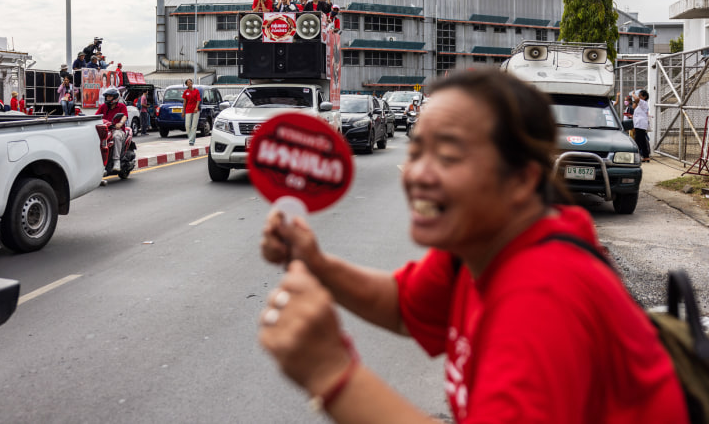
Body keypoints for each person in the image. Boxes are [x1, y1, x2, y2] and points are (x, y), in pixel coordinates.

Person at [258, 69, 688, 423]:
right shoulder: (482, 246)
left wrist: (332, 374)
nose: (418, 175)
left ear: (521, 180)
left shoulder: (543, 295)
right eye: (417, 150)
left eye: (448, 156)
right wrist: (315, 262)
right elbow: (406, 306)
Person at [96, 87, 128, 171]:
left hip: (117, 130)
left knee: (116, 136)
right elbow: (96, 117)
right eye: (107, 96)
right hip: (105, 130)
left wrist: (120, 123)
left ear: (115, 97)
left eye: (109, 96)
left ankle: (116, 160)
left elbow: (124, 116)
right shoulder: (103, 107)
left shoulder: (122, 106)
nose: (107, 98)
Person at [632, 89, 650, 162]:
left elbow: (636, 99)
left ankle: (635, 157)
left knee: (638, 141)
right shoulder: (641, 104)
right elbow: (634, 105)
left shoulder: (643, 103)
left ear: (644, 97)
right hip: (639, 125)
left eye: (640, 96)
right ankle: (646, 156)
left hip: (640, 125)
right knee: (642, 141)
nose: (638, 97)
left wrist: (633, 94)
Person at [182, 79, 201, 146]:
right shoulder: (185, 92)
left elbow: (198, 100)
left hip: (195, 110)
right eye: (188, 83)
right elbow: (184, 103)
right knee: (187, 125)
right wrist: (183, 111)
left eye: (191, 82)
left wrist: (196, 107)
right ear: (186, 84)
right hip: (188, 110)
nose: (190, 83)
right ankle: (191, 138)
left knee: (194, 126)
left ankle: (191, 141)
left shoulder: (196, 91)